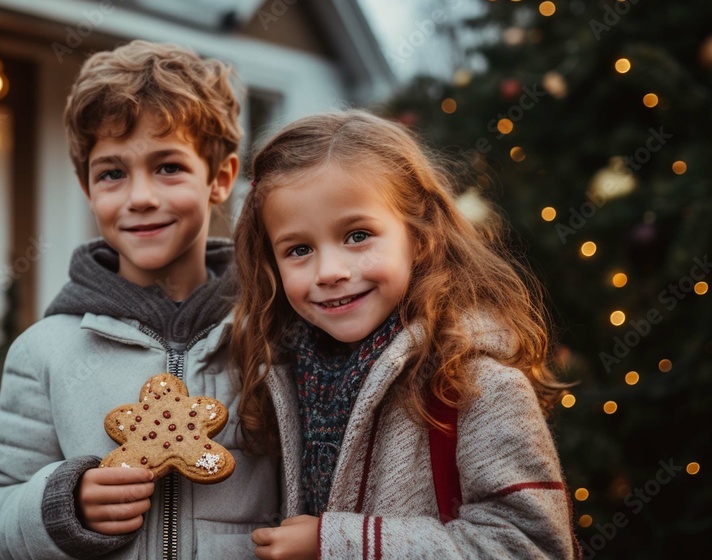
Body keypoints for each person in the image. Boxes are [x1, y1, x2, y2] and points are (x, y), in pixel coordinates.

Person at [0, 40, 280, 559]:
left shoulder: (273, 331)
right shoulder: (45, 352)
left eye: (168, 167)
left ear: (220, 178)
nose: (140, 196)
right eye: (112, 173)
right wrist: (64, 505)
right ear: (87, 187)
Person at [232, 110, 580, 559]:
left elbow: (532, 546)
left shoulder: (474, 382)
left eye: (358, 235)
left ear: (419, 237)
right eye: (299, 249)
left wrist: (335, 544)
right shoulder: (278, 374)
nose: (331, 272)